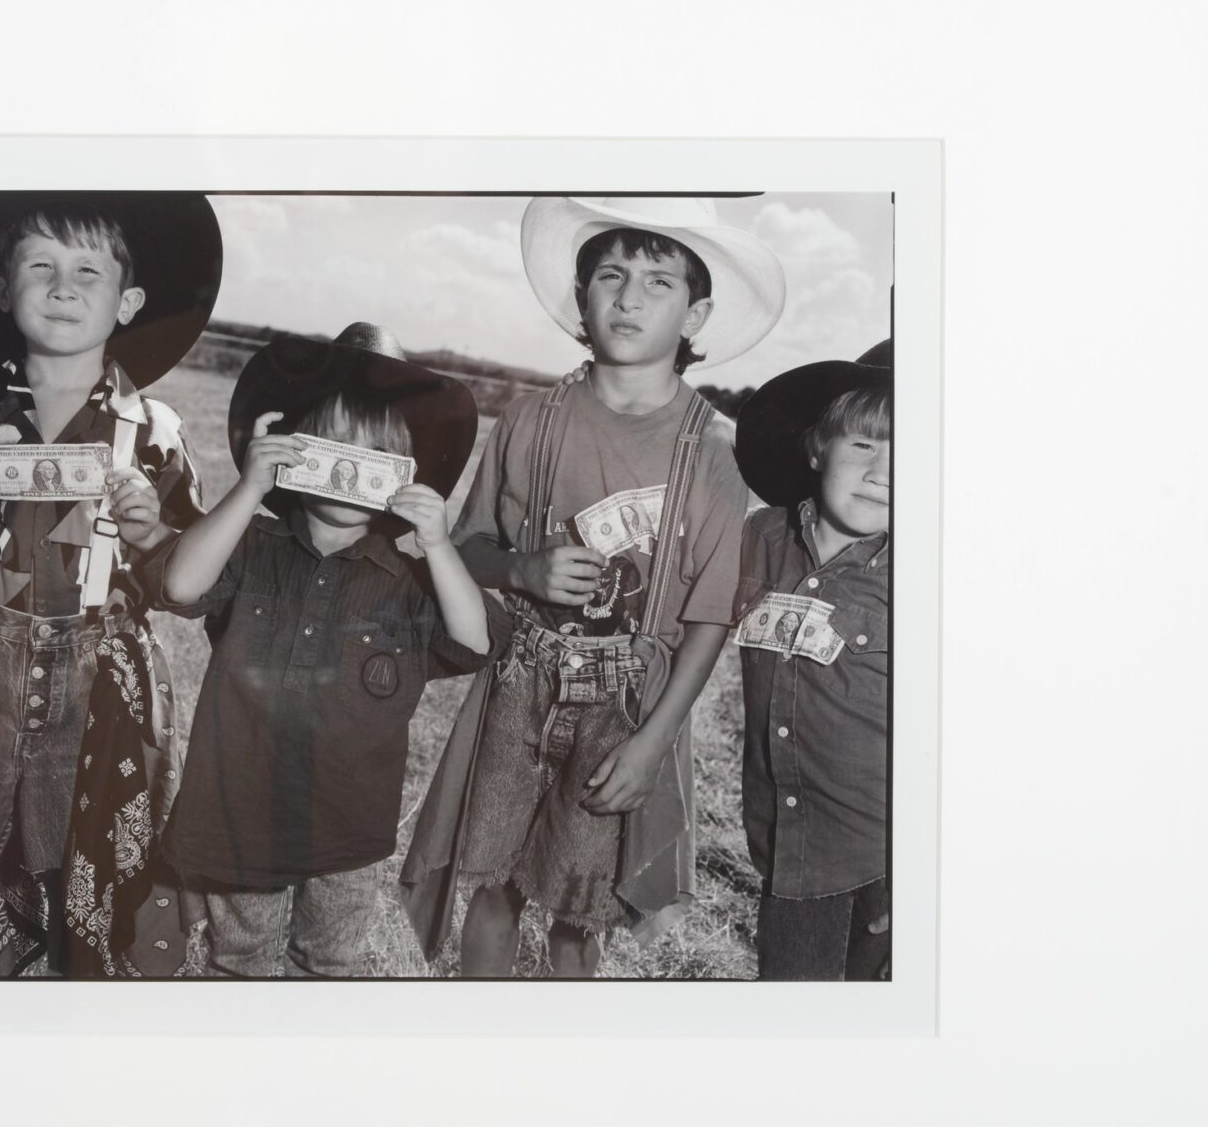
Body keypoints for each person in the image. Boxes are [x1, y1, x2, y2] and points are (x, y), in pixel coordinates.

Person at [400, 197, 785, 976]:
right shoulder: (530, 420)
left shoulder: (715, 450)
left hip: (629, 704)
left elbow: (710, 618)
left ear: (695, 314)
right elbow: (467, 548)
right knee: (493, 888)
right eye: (611, 276)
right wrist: (521, 569)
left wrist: (653, 742)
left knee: (582, 911)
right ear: (582, 297)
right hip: (520, 684)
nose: (629, 298)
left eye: (658, 282)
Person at [0, 193, 222, 979]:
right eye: (39, 265)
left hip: (103, 687)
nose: (63, 286)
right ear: (1, 288)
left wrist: (152, 532)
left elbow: (187, 585)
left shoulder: (155, 432)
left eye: (88, 271)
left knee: (97, 883)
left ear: (128, 301)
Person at [146, 324, 505, 978]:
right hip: (240, 811)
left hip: (349, 829)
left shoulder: (413, 578)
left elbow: (475, 638)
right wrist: (249, 488)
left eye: (375, 452)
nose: (349, 466)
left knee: (329, 967)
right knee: (238, 963)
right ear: (293, 449)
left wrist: (438, 544)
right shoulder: (251, 544)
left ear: (406, 471)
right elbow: (179, 584)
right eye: (332, 443)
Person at [731, 342, 892, 981]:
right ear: (818, 447)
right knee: (796, 1013)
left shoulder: (929, 577)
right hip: (791, 851)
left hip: (888, 862)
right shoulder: (760, 540)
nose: (882, 472)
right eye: (864, 445)